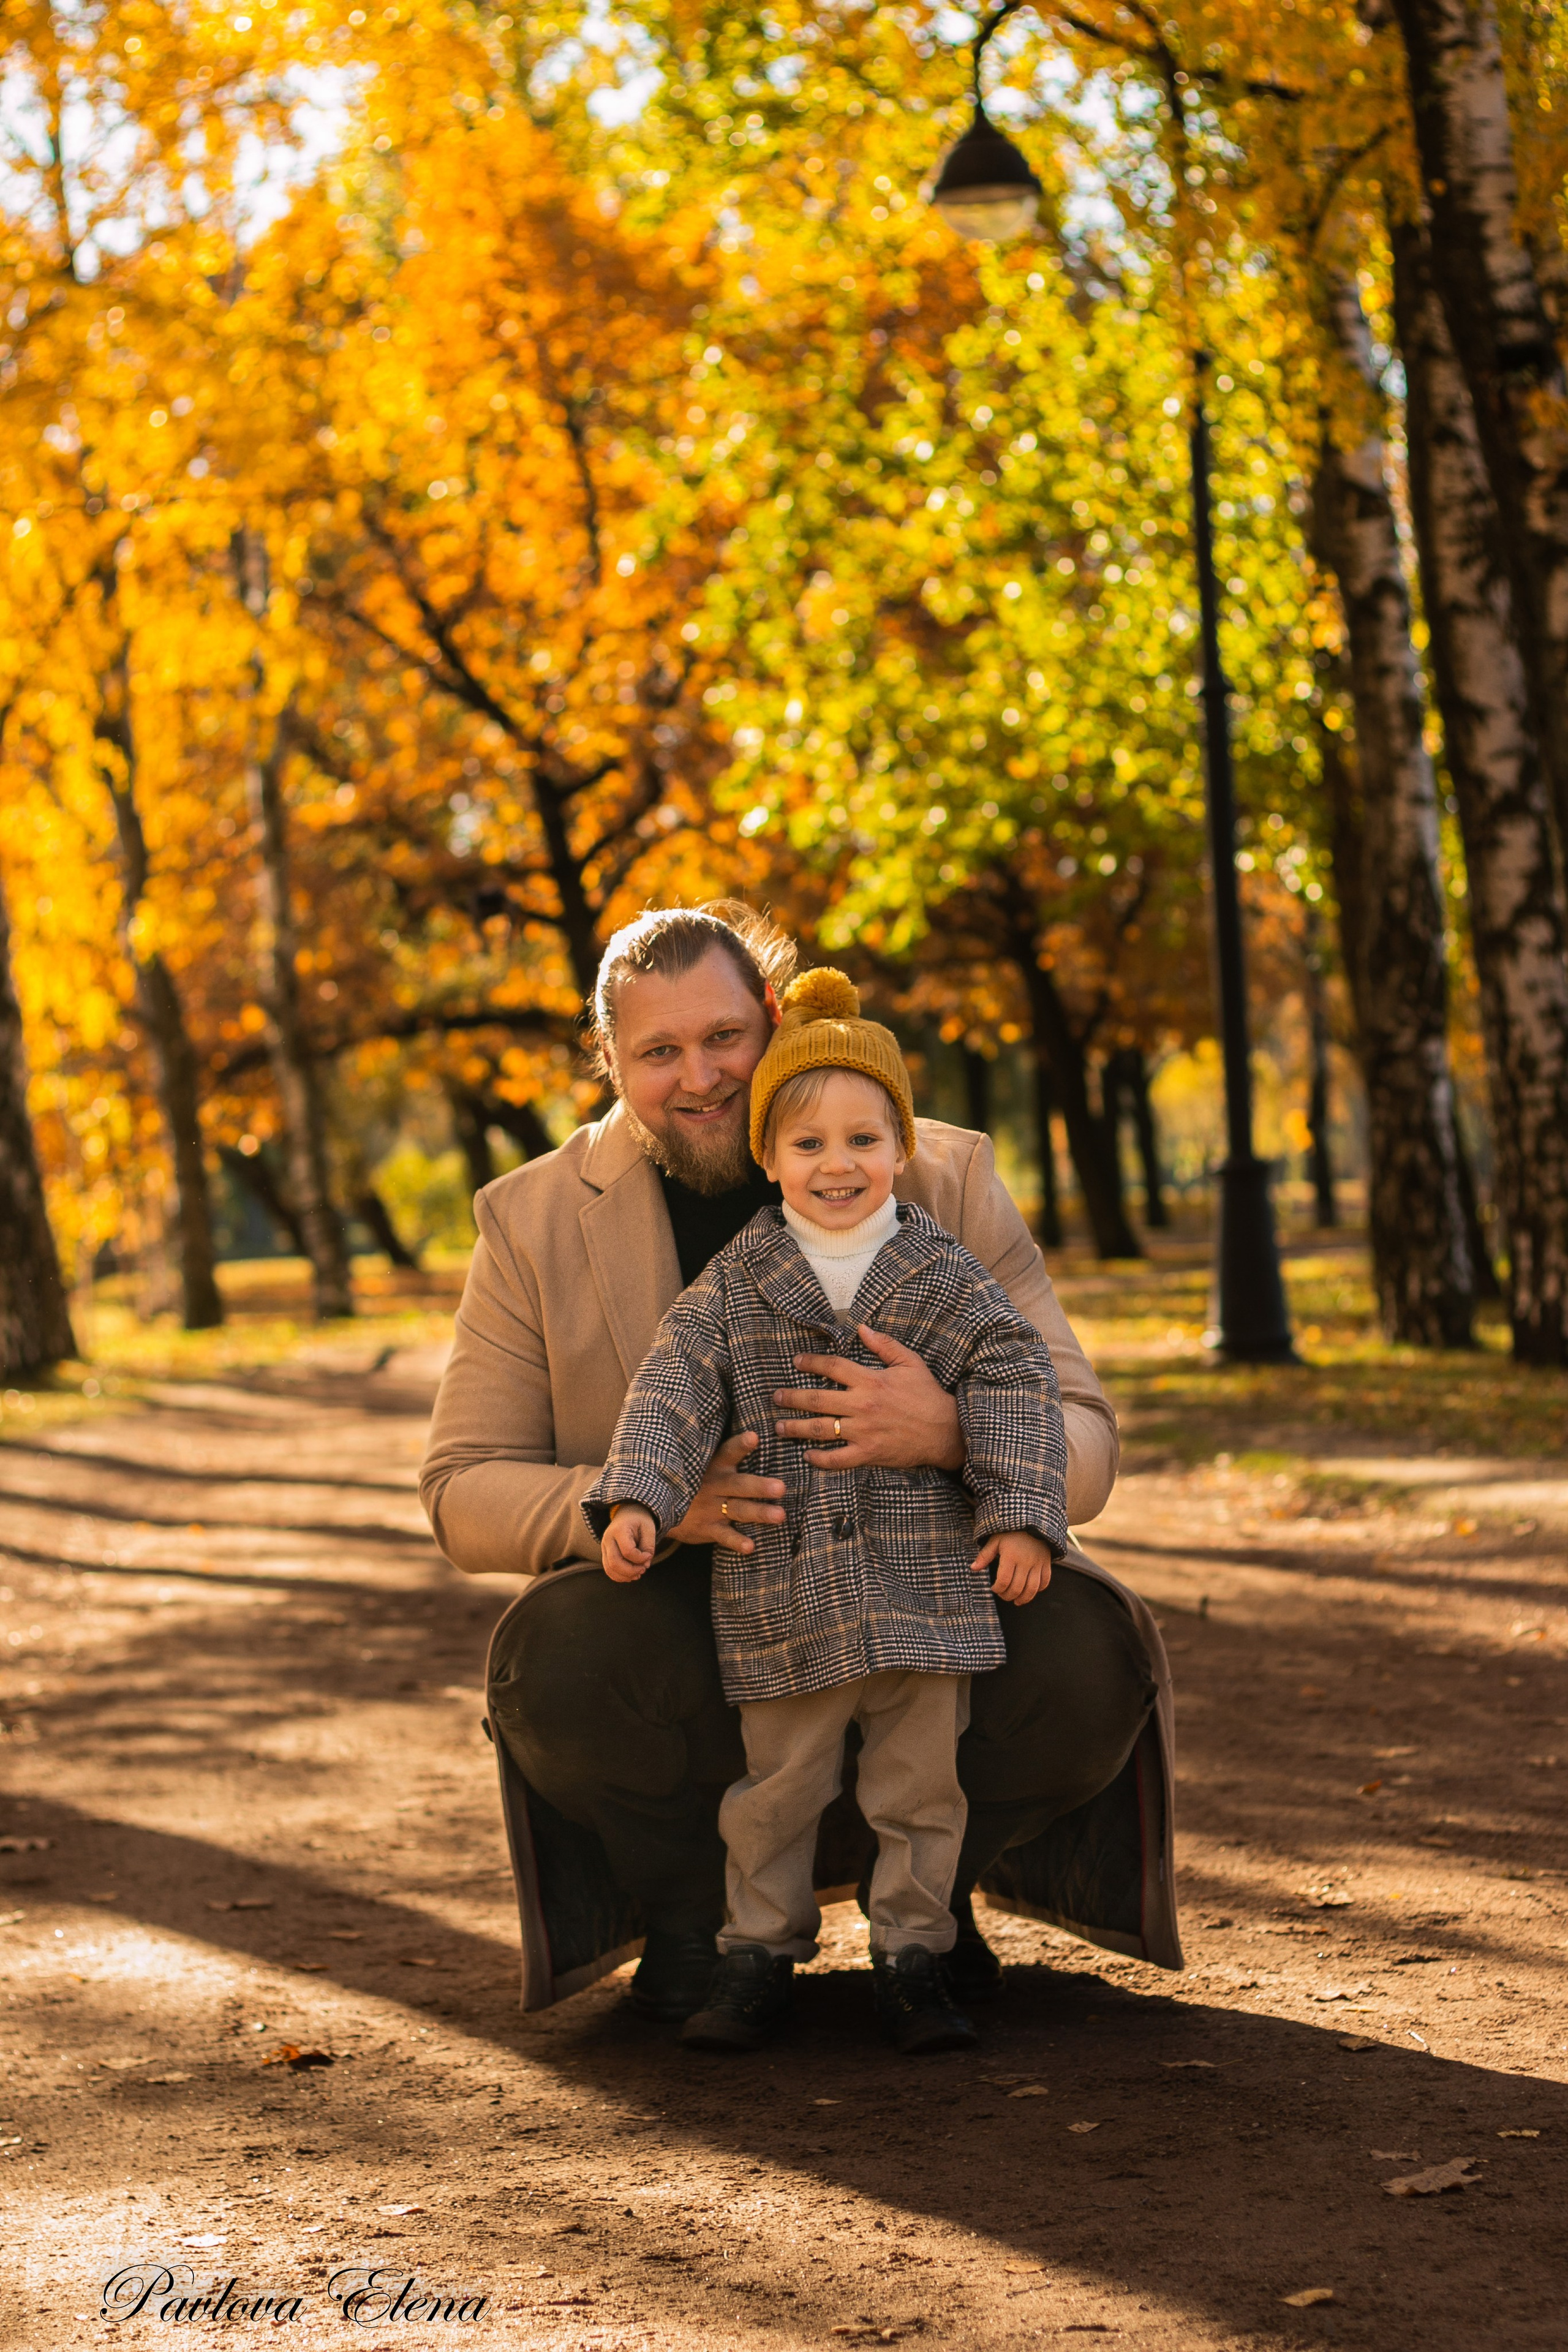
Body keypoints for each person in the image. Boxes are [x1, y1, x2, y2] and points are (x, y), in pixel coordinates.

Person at [419, 901, 1180, 2024]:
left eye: (725, 1036)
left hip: (924, 1597)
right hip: (685, 1617)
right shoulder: (530, 1220)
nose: (703, 1076)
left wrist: (952, 1433)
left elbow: (1088, 1437)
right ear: (613, 1063)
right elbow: (461, 1489)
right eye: (659, 1052)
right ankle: (697, 1922)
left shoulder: (946, 1176)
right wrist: (651, 1504)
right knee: (556, 1661)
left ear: (774, 1016)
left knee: (1091, 1650)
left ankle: (928, 1907)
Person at [586, 970, 1067, 2056]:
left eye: (862, 1141)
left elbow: (1016, 1379)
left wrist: (1021, 1511)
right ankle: (756, 1952)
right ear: (768, 1157)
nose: (837, 1166)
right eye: (807, 1146)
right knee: (775, 1791)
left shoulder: (941, 1272)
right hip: (780, 1586)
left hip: (924, 1592)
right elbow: (670, 1388)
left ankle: (915, 1953)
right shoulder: (736, 1280)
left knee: (920, 1789)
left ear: (901, 1148)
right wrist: (640, 1499)